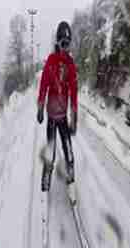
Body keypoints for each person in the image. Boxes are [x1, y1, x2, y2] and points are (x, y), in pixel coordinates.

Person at [37, 21, 78, 200]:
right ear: (57, 42)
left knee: (69, 152)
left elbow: (74, 91)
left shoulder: (70, 64)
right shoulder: (51, 61)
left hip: (63, 118)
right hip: (52, 116)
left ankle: (71, 180)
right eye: (62, 43)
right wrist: (40, 107)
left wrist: (74, 116)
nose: (65, 48)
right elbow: (43, 85)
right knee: (51, 152)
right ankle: (46, 178)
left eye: (68, 44)